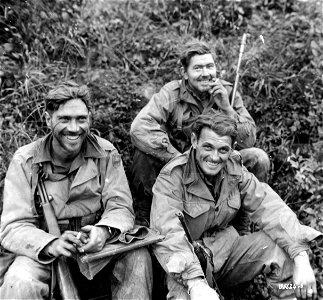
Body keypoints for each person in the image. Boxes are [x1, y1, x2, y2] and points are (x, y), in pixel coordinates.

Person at [0, 82, 152, 299]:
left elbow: (120, 207)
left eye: (81, 119)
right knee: (20, 281)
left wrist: (103, 231)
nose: (74, 128)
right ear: (47, 119)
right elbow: (13, 227)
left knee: (138, 256)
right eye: (64, 119)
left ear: (89, 118)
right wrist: (51, 244)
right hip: (44, 254)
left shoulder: (106, 153)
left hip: (97, 250)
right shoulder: (25, 161)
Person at [150, 110, 322, 300]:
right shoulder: (172, 177)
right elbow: (167, 233)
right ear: (194, 141)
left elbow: (270, 207)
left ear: (232, 149)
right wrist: (195, 283)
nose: (215, 157)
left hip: (225, 252)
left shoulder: (235, 169)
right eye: (208, 147)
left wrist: (301, 257)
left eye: (223, 150)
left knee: (280, 251)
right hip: (186, 264)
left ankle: (289, 295)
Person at [130, 40, 270, 226]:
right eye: (198, 68)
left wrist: (227, 108)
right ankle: (144, 219)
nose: (206, 74)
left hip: (216, 163)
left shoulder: (227, 91)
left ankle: (243, 224)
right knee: (143, 154)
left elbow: (248, 140)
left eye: (210, 66)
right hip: (180, 167)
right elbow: (139, 128)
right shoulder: (171, 93)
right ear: (184, 73)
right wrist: (177, 158)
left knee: (258, 158)